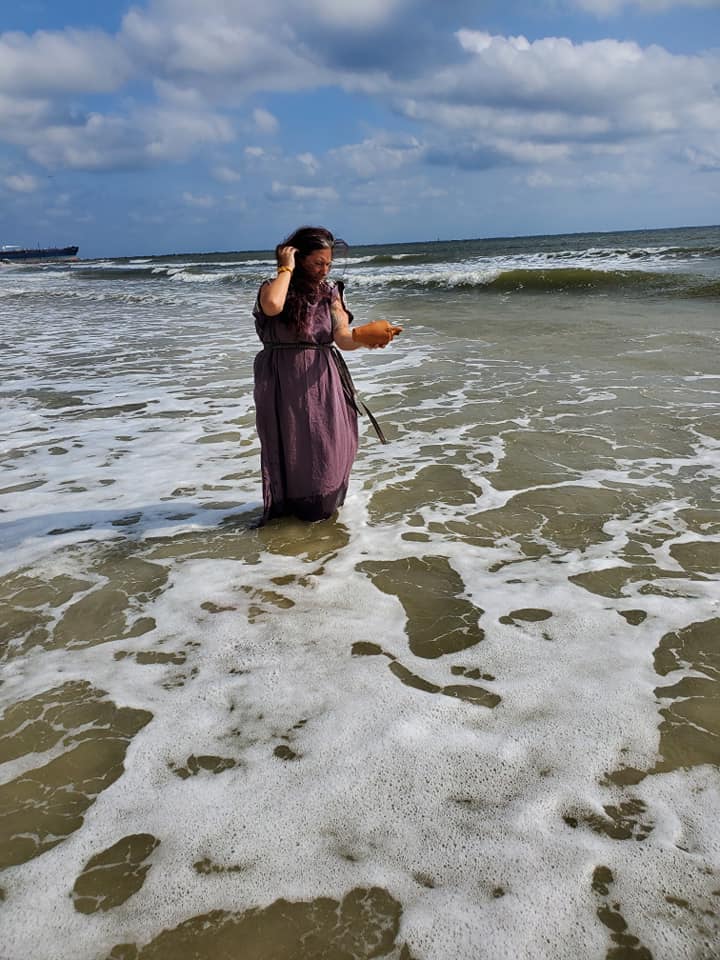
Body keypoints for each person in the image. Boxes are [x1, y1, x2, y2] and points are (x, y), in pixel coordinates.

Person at [252, 225, 402, 523]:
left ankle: (321, 512)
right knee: (291, 445)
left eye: (329, 264)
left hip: (320, 376)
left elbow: (342, 339)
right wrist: (285, 267)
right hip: (280, 377)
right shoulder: (272, 286)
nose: (324, 270)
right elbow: (273, 307)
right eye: (318, 263)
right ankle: (294, 518)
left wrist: (365, 337)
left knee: (327, 444)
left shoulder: (330, 293)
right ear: (298, 257)